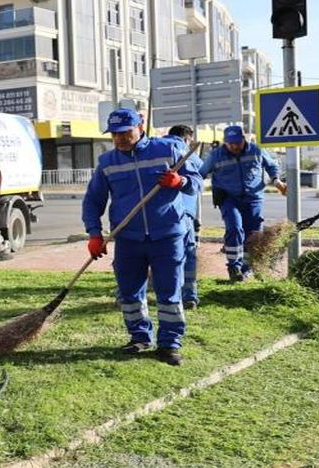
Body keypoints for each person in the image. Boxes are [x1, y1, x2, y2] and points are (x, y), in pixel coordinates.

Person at [83, 108, 200, 365]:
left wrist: (179, 181)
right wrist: (93, 233)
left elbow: (196, 183)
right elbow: (93, 200)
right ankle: (139, 337)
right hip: (128, 238)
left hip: (167, 235)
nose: (120, 139)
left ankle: (169, 344)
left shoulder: (167, 150)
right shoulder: (107, 162)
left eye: (125, 132)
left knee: (168, 293)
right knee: (129, 292)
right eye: (115, 134)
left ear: (140, 125)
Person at [198, 125, 287, 281]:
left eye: (237, 143)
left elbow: (271, 165)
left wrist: (276, 180)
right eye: (230, 143)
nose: (234, 146)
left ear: (243, 139)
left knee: (253, 234)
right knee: (234, 227)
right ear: (224, 142)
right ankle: (234, 267)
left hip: (253, 197)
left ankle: (246, 268)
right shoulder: (216, 155)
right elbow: (200, 174)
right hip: (228, 197)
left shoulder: (256, 151)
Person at [164, 125, 203, 309]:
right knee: (187, 254)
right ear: (188, 138)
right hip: (183, 213)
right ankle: (189, 296)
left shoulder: (156, 147)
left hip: (158, 213)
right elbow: (200, 175)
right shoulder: (186, 151)